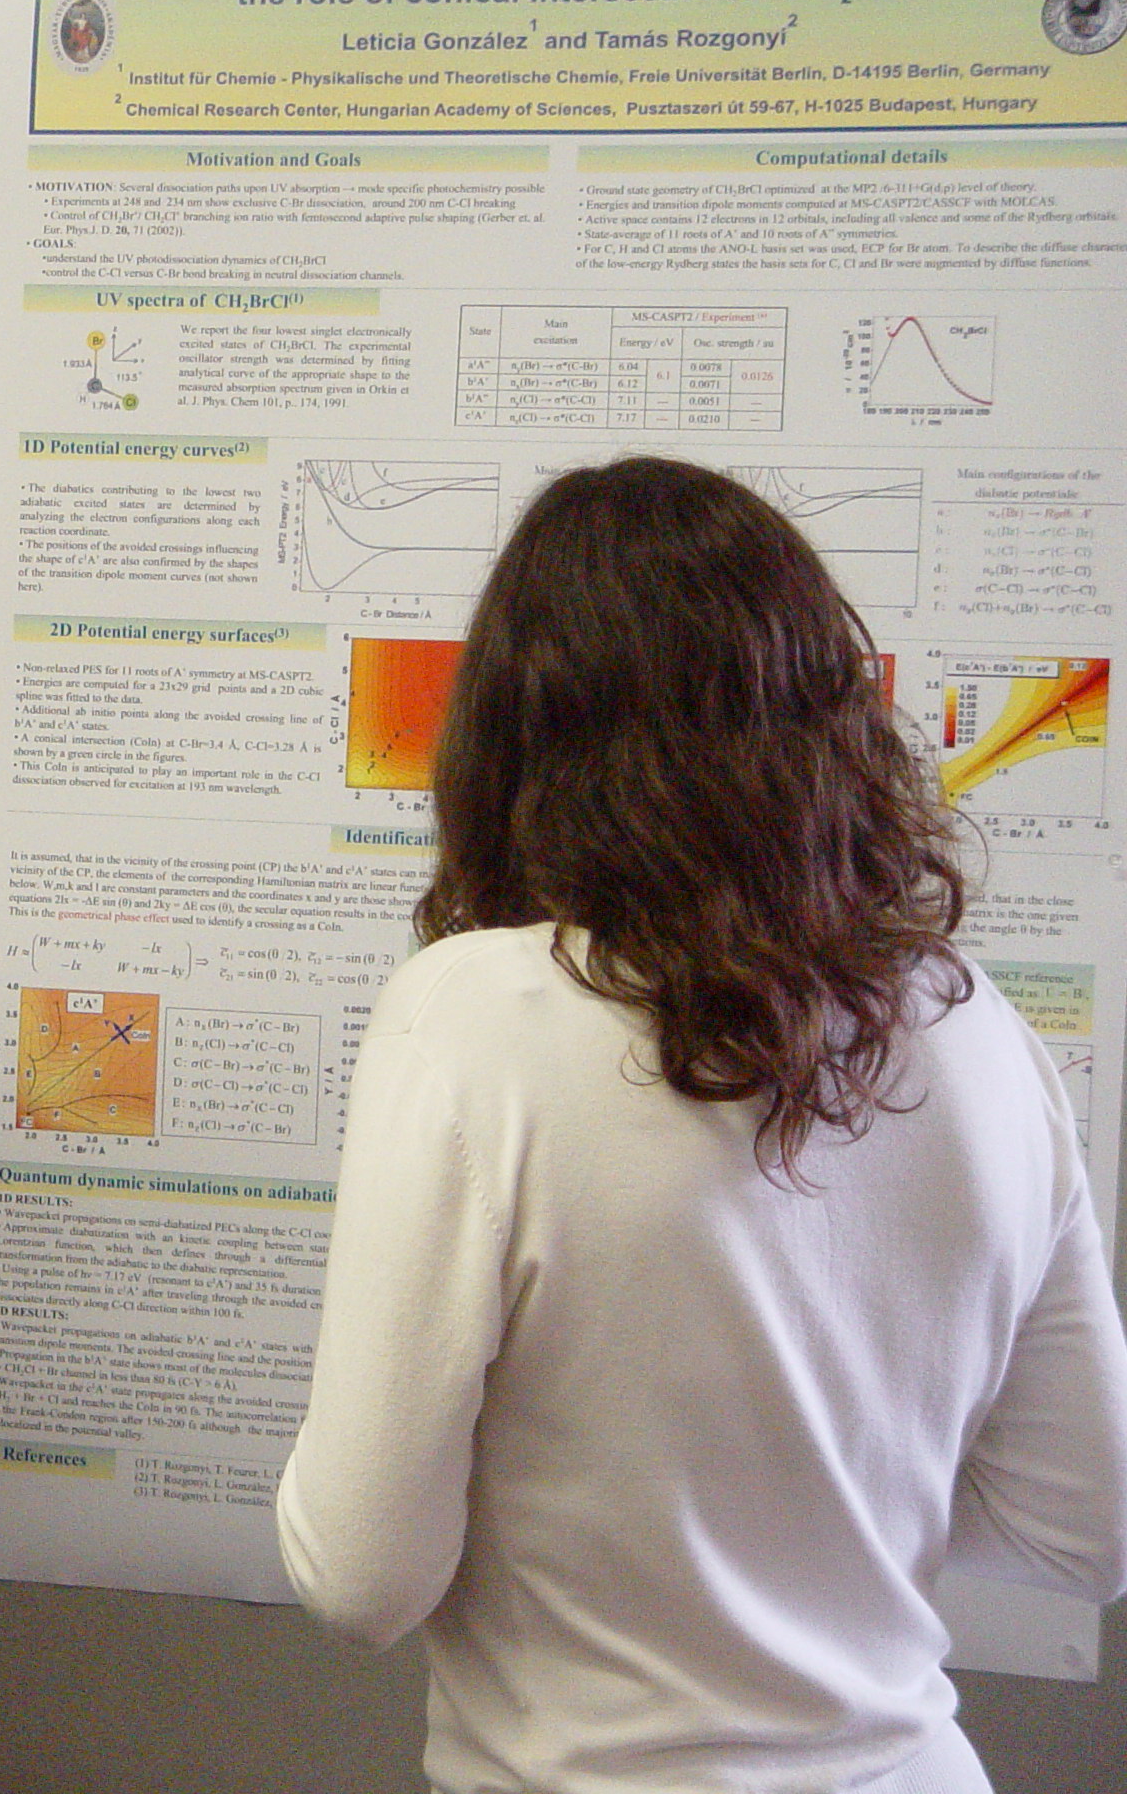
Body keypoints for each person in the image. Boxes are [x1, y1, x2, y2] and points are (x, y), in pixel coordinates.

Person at [275, 457, 1127, 1794]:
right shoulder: (977, 1028)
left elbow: (362, 1578)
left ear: (514, 739)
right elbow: (1087, 1525)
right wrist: (820, 1497)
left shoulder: (474, 1015)